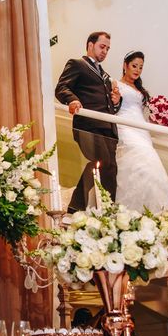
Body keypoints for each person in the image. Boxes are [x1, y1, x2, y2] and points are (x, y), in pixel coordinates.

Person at [55, 31, 121, 211]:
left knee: (110, 169)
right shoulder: (77, 64)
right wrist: (72, 100)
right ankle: (75, 207)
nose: (105, 51)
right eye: (102, 46)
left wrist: (117, 101)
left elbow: (111, 106)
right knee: (103, 162)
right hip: (88, 125)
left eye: (108, 48)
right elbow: (62, 88)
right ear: (90, 45)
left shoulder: (106, 76)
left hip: (108, 129)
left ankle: (108, 210)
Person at [113, 51, 168, 212]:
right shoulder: (115, 84)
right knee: (136, 159)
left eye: (141, 67)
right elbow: (113, 107)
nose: (137, 70)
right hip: (124, 127)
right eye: (134, 66)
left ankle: (153, 208)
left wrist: (160, 116)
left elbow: (143, 111)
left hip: (142, 129)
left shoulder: (141, 90)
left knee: (149, 164)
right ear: (125, 65)